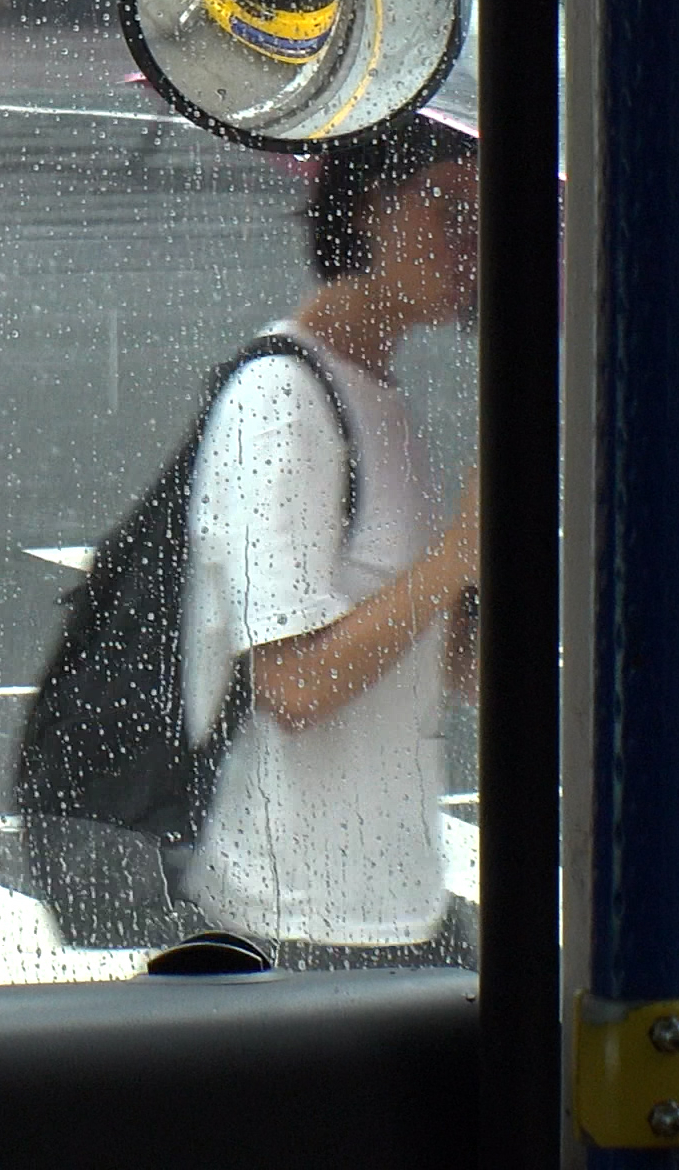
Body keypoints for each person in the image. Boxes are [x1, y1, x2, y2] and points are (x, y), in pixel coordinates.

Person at [180, 115, 483, 965]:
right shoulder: (278, 397)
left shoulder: (380, 397)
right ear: (370, 206)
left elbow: (453, 674)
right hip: (293, 924)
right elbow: (295, 686)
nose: (472, 244)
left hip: (400, 903)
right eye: (448, 209)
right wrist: (456, 555)